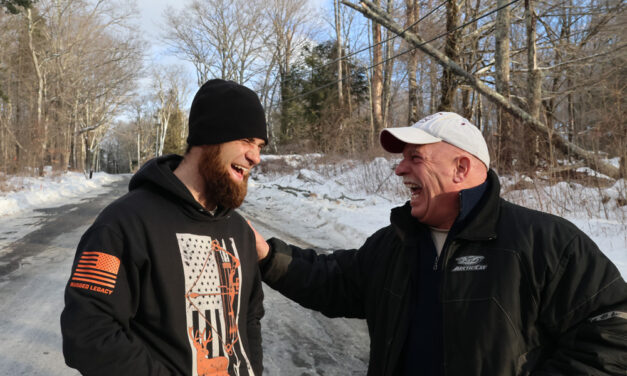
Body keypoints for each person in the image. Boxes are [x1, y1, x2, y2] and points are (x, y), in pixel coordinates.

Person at [253, 112, 627, 375]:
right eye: (402, 159)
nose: (399, 169)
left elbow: (613, 332)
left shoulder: (545, 241)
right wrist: (267, 256)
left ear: (461, 169)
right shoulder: (394, 244)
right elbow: (334, 280)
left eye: (415, 157)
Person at [61, 79, 267, 376]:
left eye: (259, 146)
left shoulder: (239, 230)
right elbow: (89, 333)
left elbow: (249, 317)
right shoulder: (124, 224)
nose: (255, 157)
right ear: (209, 137)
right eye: (247, 141)